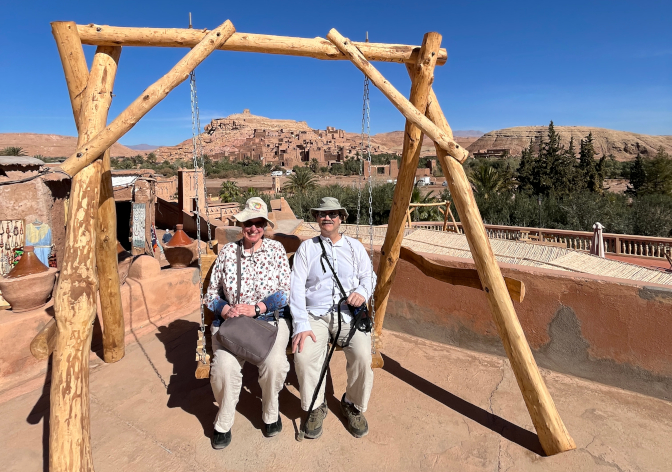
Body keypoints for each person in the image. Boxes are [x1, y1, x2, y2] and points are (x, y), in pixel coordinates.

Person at [204, 197, 292, 450]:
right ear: (241, 224)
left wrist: (258, 308)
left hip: (268, 322)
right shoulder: (228, 253)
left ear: (265, 224)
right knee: (222, 369)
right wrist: (225, 308)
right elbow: (210, 295)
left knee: (275, 364)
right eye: (248, 223)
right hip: (233, 325)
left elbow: (285, 293)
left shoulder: (275, 251)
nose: (253, 228)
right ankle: (224, 418)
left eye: (258, 223)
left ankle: (270, 412)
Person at [290, 197, 376, 439]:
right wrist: (301, 324)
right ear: (316, 218)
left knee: (362, 355)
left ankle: (352, 404)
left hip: (346, 314)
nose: (327, 218)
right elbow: (296, 287)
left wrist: (361, 292)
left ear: (341, 218)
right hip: (314, 314)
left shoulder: (354, 247)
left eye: (333, 214)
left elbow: (369, 277)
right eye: (321, 214)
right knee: (304, 356)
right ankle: (316, 405)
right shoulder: (307, 248)